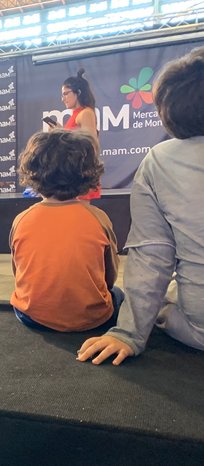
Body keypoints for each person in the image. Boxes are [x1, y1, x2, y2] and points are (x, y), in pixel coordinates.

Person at [78, 47, 204, 365]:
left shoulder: (160, 160)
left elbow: (151, 257)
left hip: (197, 328)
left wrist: (128, 333)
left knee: (168, 300)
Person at [11, 129, 123, 332]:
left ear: (32, 171)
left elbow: (19, 273)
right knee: (119, 294)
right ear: (87, 172)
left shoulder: (21, 220)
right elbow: (109, 277)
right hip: (91, 320)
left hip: (31, 316)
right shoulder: (98, 219)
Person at [60, 68, 101, 200]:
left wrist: (62, 135)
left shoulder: (86, 113)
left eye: (66, 94)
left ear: (78, 93)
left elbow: (91, 145)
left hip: (82, 174)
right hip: (73, 173)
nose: (63, 98)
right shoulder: (77, 114)